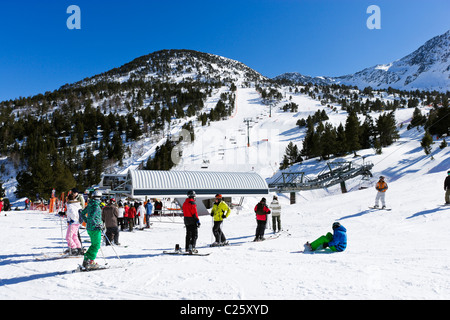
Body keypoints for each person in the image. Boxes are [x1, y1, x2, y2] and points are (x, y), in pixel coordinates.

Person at [80, 190, 104, 270]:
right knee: (96, 245)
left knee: (94, 244)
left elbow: (83, 213)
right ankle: (90, 261)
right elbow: (93, 216)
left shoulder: (90, 204)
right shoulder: (97, 206)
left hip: (90, 228)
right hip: (95, 228)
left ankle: (86, 259)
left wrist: (86, 221)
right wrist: (98, 224)